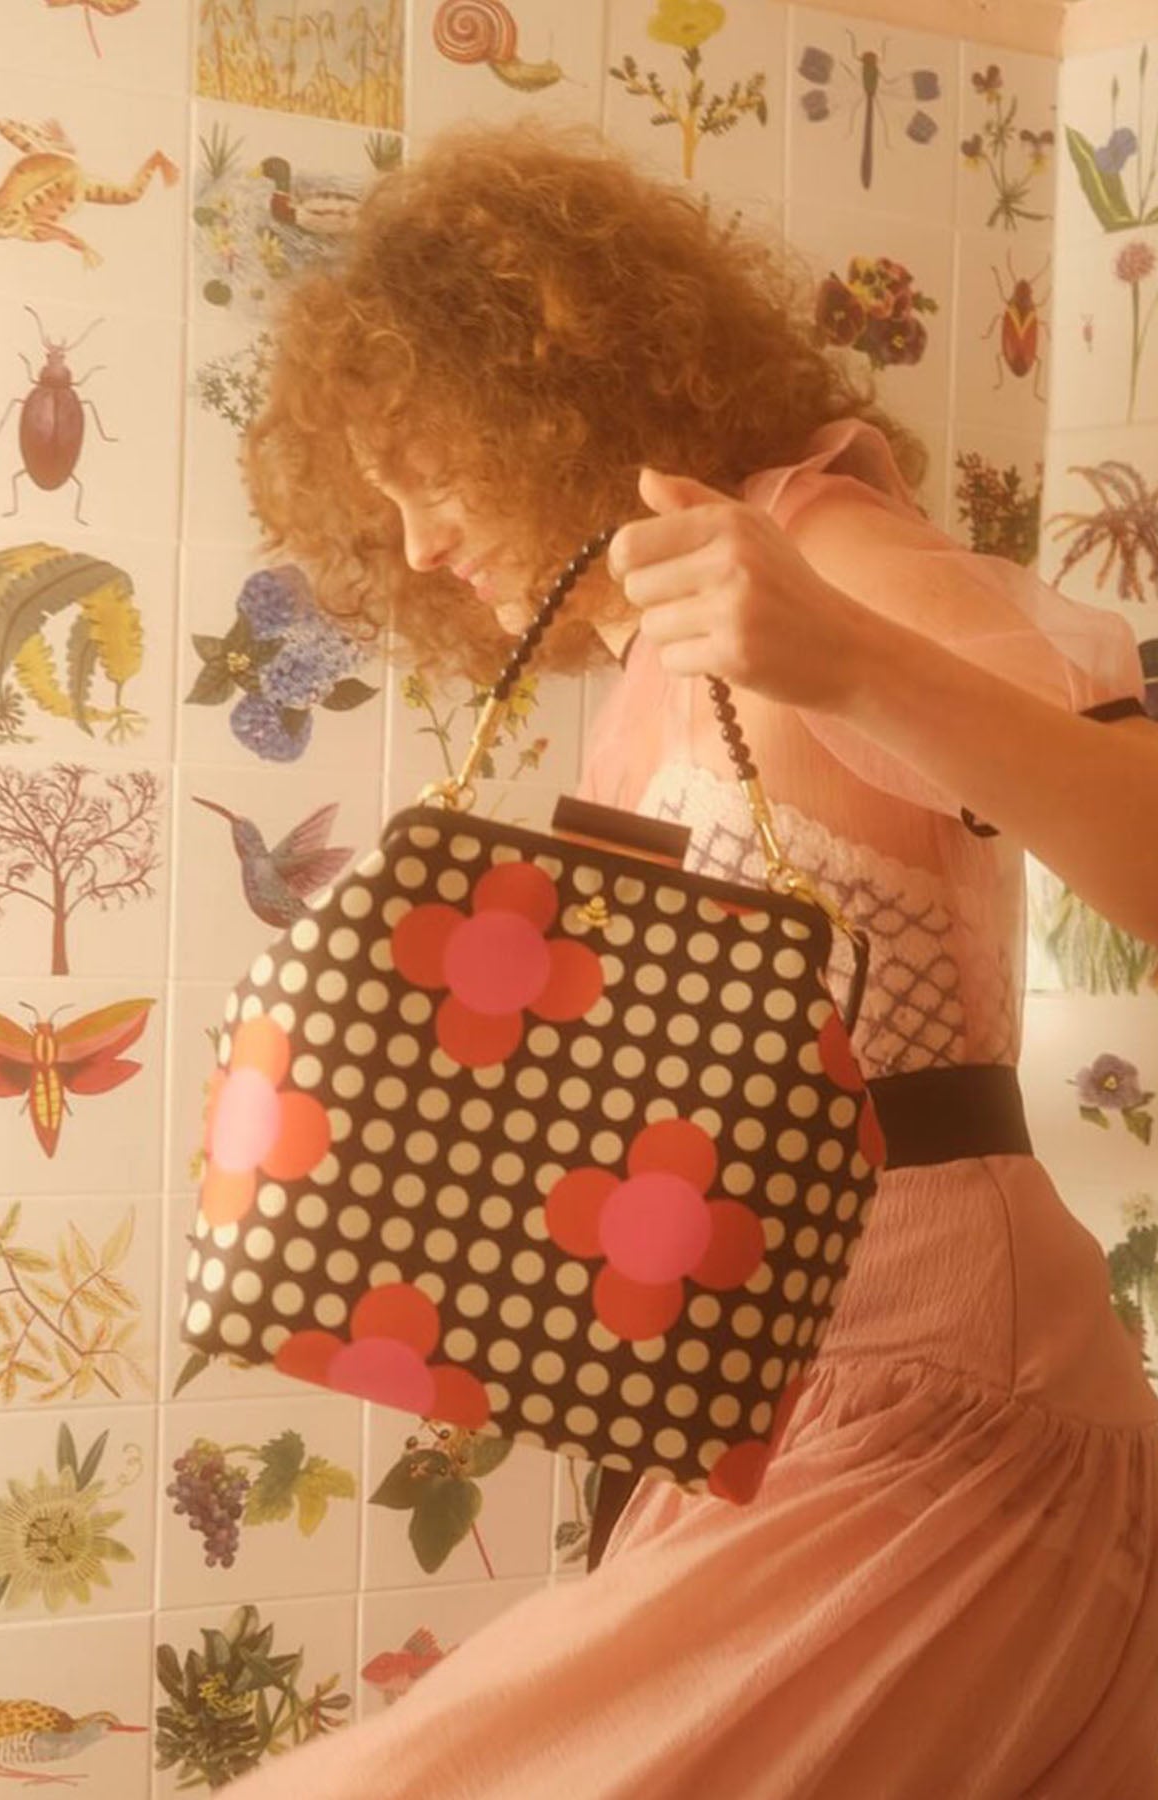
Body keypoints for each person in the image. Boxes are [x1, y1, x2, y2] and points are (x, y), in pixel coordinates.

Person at [228, 119, 1158, 1799]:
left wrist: (844, 651)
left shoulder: (818, 551)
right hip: (793, 1400)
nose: (424, 547)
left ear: (549, 404)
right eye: (387, 509)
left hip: (941, 1411)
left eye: (431, 471)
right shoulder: (658, 645)